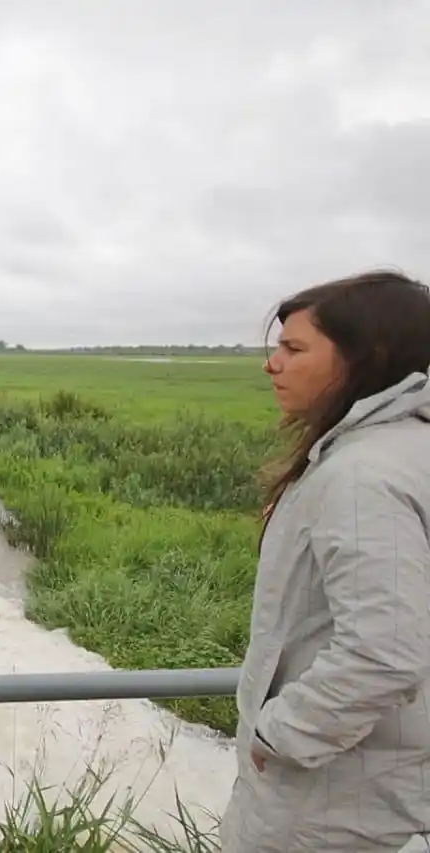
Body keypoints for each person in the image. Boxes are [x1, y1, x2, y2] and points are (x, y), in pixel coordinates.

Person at [220, 270, 430, 852]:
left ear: (365, 359)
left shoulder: (362, 475)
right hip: (369, 778)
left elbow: (384, 653)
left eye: (293, 348)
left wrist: (280, 735)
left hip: (323, 803)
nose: (272, 363)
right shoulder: (405, 450)